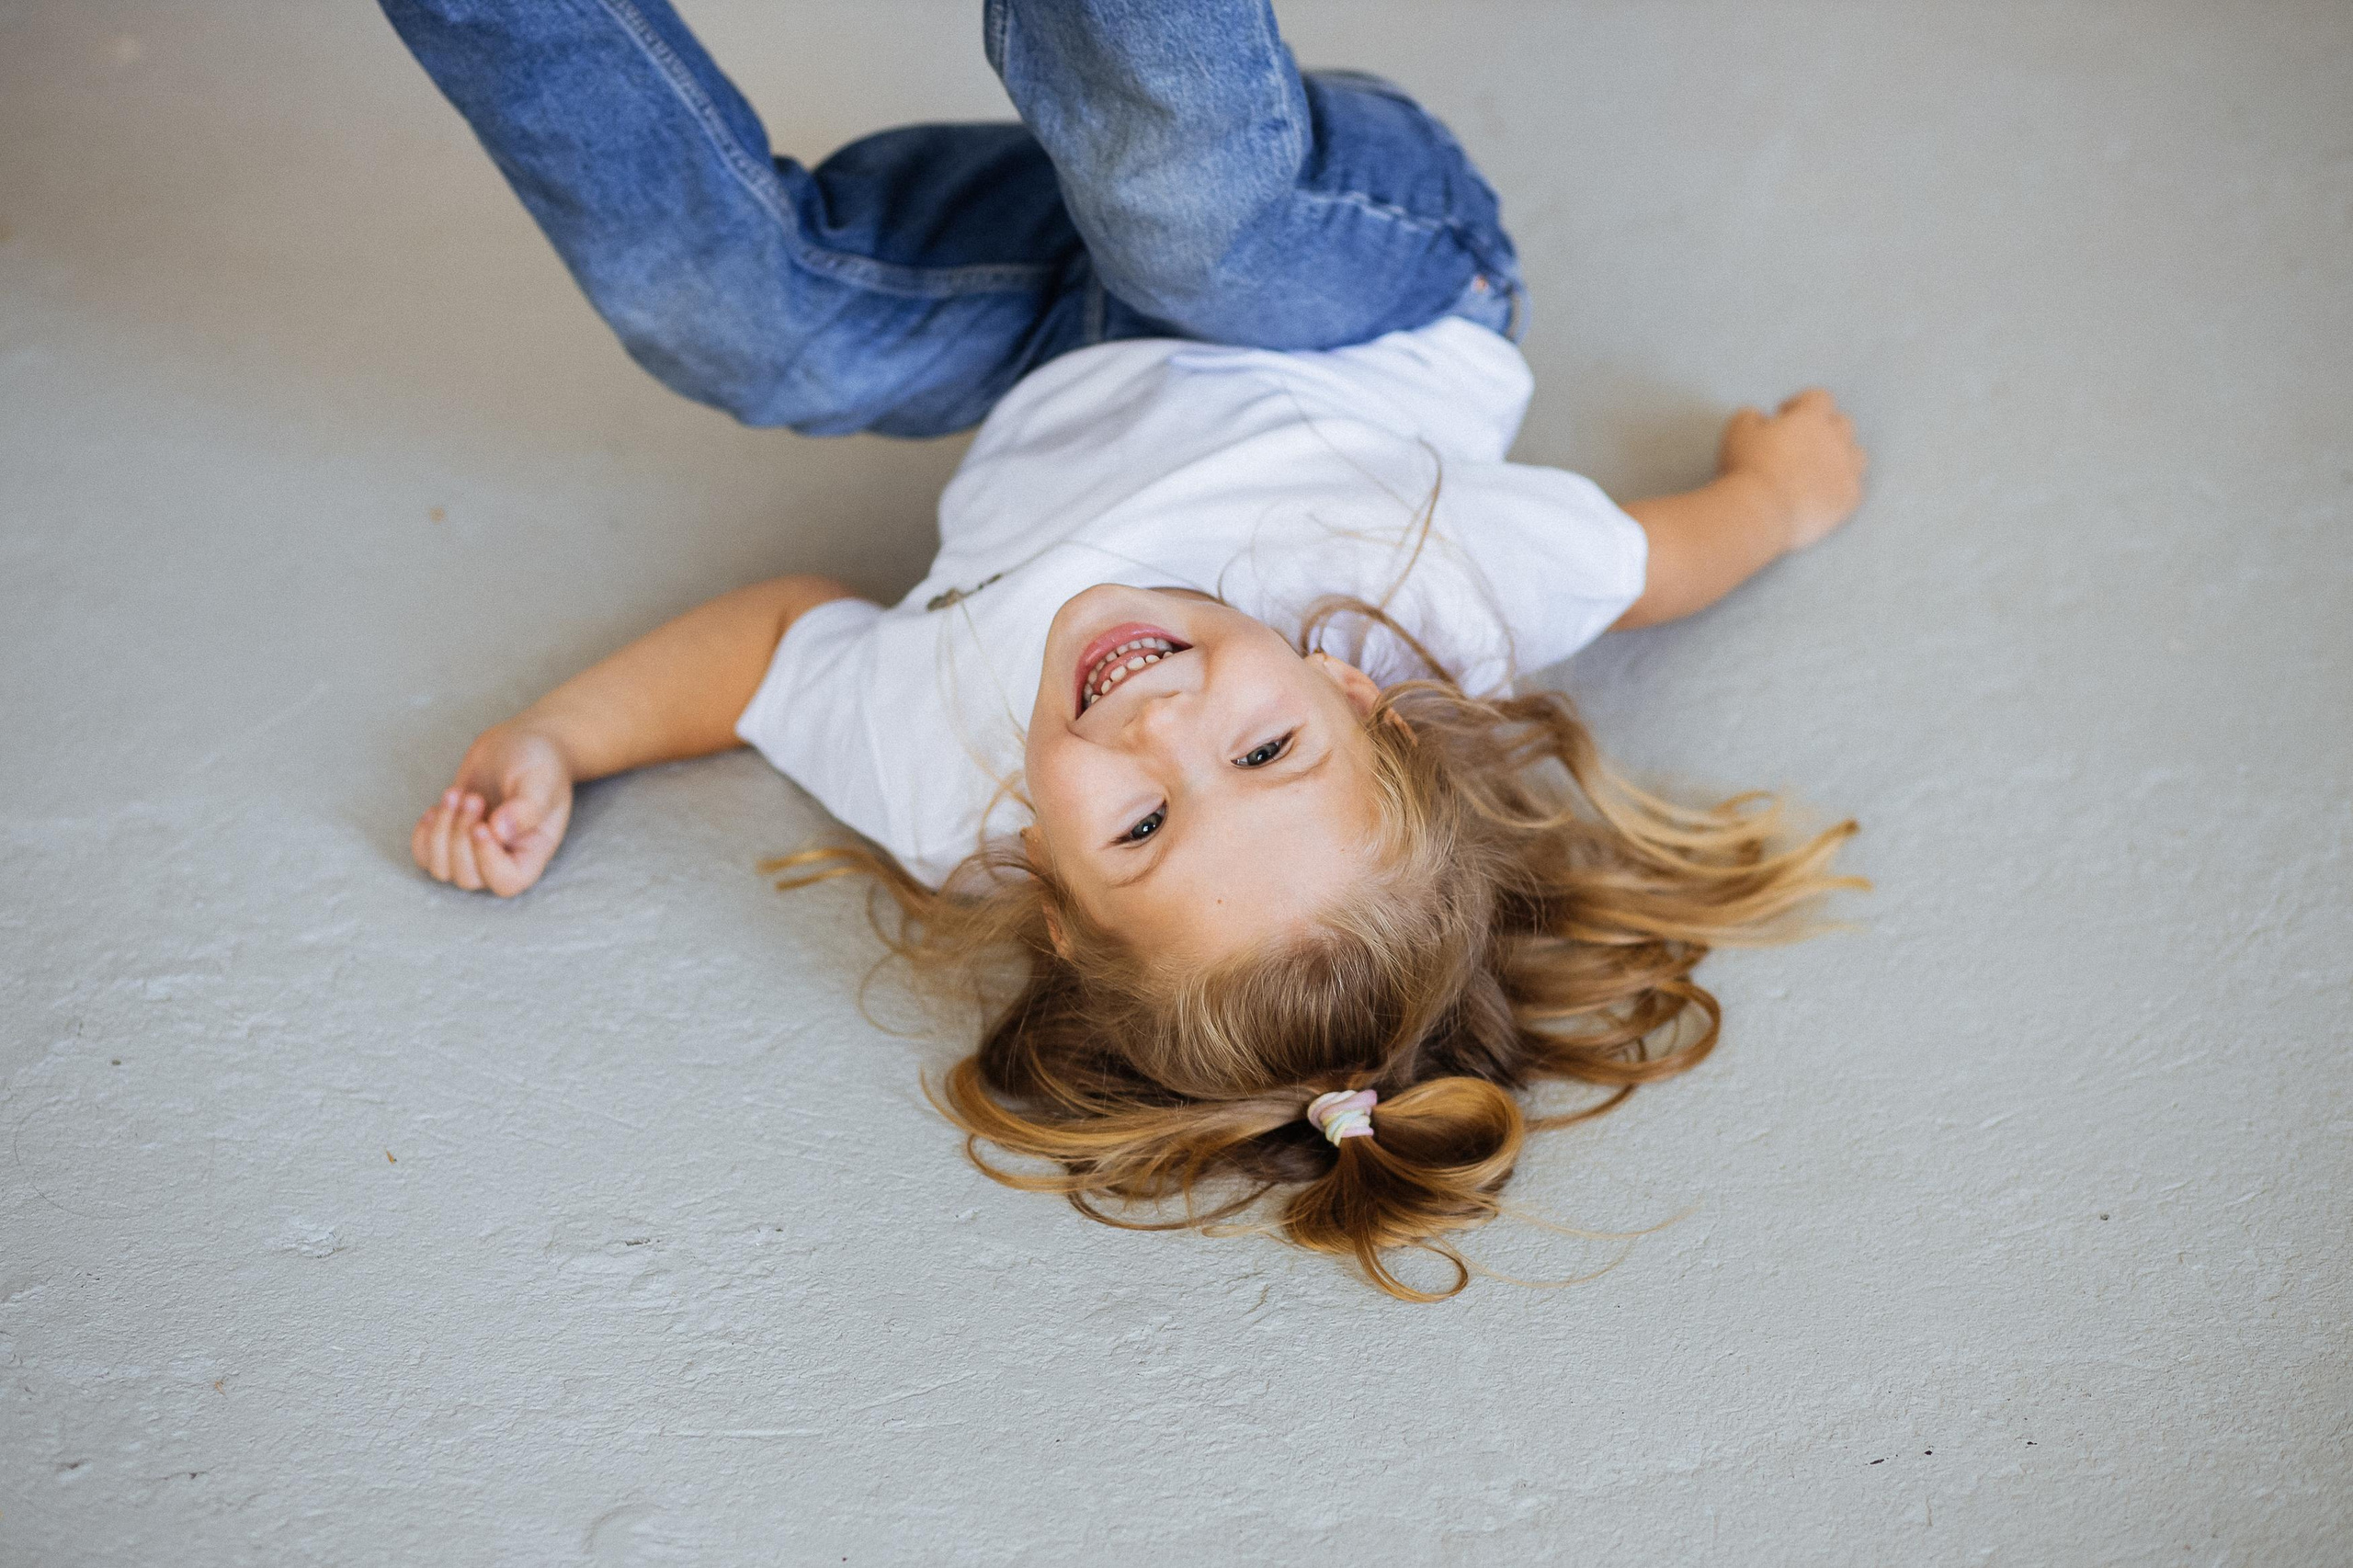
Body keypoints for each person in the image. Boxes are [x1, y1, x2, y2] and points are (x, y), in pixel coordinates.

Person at [387, 0, 1866, 1300]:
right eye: (1267, 748)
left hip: (1052, 330)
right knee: (1182, 213)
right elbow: (1658, 563)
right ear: (1362, 695)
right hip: (1341, 283)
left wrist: (565, 737)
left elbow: (774, 649)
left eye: (1145, 825)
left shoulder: (946, 785)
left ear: (1056, 898)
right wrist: (1780, 499)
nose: (1161, 725)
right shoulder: (1426, 582)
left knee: (736, 323)